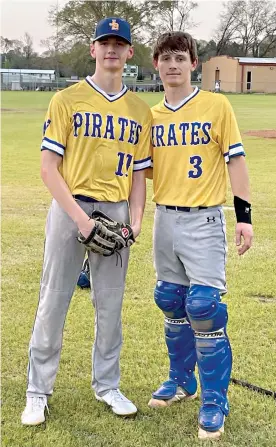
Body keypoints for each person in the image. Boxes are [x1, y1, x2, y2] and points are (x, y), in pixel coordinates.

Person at [21, 17, 152, 426]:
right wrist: (81, 220)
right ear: (92, 49)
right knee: (54, 299)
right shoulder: (66, 99)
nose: (112, 49)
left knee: (109, 305)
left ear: (130, 53)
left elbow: (137, 177)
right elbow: (48, 168)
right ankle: (37, 393)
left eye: (119, 43)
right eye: (104, 42)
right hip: (69, 207)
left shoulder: (140, 111)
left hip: (115, 211)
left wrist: (136, 223)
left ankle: (108, 385)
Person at [147, 31, 253, 440]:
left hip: (204, 220)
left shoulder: (216, 105)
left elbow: (235, 159)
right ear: (156, 64)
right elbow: (144, 171)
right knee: (171, 301)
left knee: (204, 306)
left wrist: (243, 216)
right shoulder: (151, 116)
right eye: (165, 57)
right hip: (164, 219)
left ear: (194, 63)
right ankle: (182, 380)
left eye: (180, 57)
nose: (173, 64)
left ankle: (214, 399)